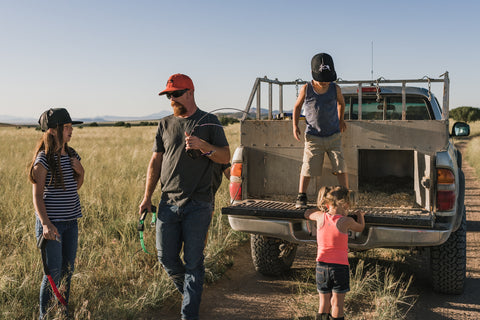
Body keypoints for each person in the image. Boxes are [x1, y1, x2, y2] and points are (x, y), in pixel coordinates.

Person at [138, 73, 230, 320]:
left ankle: (189, 313)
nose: (171, 99)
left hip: (199, 203)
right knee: (166, 257)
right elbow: (156, 161)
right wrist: (147, 197)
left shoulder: (210, 122)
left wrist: (203, 146)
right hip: (168, 202)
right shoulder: (165, 124)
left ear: (190, 92)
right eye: (169, 95)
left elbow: (225, 157)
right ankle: (193, 293)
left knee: (193, 263)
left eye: (176, 94)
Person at [28, 108, 84, 319]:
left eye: (71, 127)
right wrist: (45, 224)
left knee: (68, 271)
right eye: (67, 128)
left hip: (71, 223)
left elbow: (74, 186)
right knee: (53, 273)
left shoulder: (71, 154)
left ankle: (63, 313)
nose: (71, 131)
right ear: (52, 130)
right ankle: (46, 316)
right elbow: (38, 197)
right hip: (51, 226)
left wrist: (81, 172)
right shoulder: (43, 159)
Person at [293, 53, 348, 209]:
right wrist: (295, 126)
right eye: (321, 80)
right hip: (313, 137)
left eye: (327, 80)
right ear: (312, 75)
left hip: (334, 136)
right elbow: (297, 107)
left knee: (340, 166)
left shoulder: (335, 88)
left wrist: (341, 119)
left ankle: (345, 195)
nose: (324, 83)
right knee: (308, 166)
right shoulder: (307, 88)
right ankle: (301, 196)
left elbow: (341, 104)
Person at [304, 186, 365, 320]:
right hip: (339, 268)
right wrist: (360, 216)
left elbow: (307, 213)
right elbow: (360, 228)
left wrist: (320, 210)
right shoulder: (346, 221)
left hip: (321, 266)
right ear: (346, 205)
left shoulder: (320, 217)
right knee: (337, 304)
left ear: (327, 204)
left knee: (323, 303)